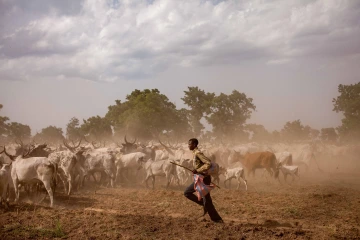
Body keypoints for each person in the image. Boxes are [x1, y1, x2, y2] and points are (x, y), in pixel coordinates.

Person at [184, 138, 223, 223]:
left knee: (189, 193)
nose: (188, 146)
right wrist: (196, 169)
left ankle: (216, 218)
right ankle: (210, 211)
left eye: (189, 144)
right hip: (200, 178)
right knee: (202, 197)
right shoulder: (195, 153)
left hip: (203, 178)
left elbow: (208, 163)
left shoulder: (198, 153)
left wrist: (198, 170)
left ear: (194, 144)